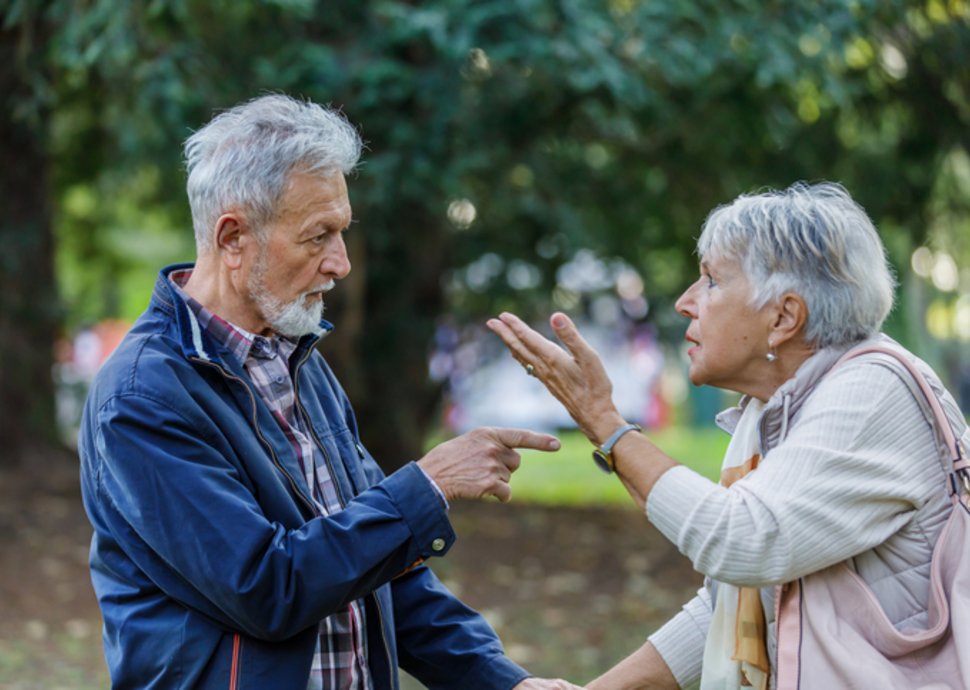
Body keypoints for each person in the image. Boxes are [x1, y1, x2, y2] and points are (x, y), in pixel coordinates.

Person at [78, 94, 583, 690]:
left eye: (342, 232)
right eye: (318, 236)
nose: (341, 263)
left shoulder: (299, 361)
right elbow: (266, 589)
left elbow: (381, 571)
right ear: (233, 238)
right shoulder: (142, 396)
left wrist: (504, 682)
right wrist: (428, 484)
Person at [488, 181, 970, 689]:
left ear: (784, 316)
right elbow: (731, 607)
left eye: (711, 281)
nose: (685, 302)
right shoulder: (779, 405)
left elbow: (743, 542)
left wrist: (605, 424)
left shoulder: (872, 392)